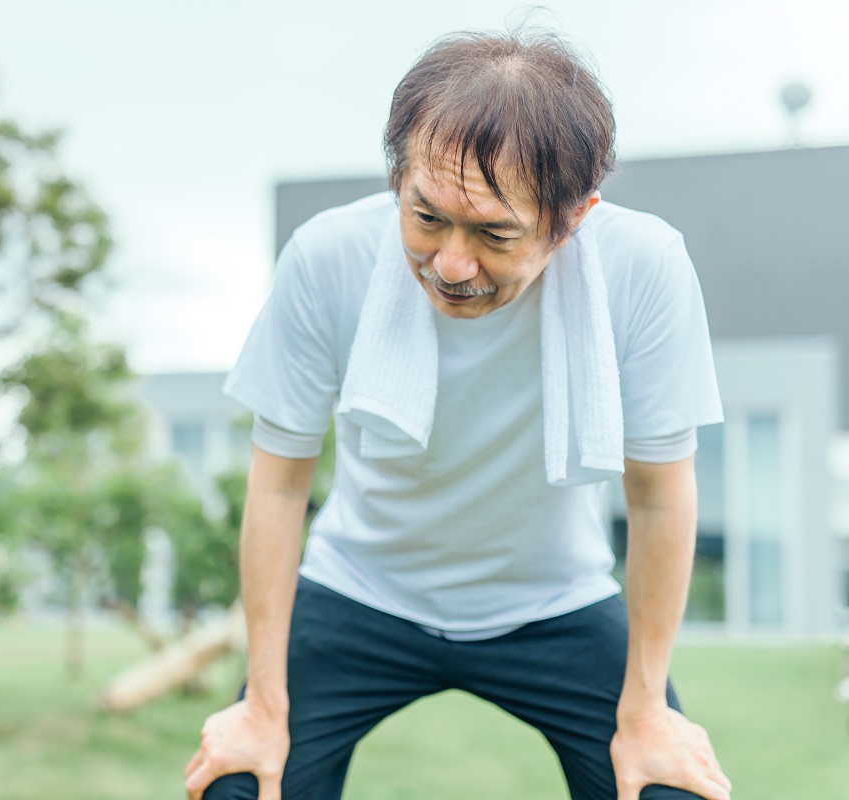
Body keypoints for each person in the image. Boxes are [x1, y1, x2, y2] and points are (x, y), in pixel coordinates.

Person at [184, 28, 733, 800]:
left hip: (555, 599)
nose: (450, 265)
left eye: (493, 233)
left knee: (666, 789)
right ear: (397, 179)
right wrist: (261, 705)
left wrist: (645, 710)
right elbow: (278, 487)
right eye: (428, 217)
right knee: (242, 783)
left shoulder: (644, 267)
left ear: (572, 218)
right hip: (360, 588)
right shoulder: (325, 258)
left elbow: (657, 492)